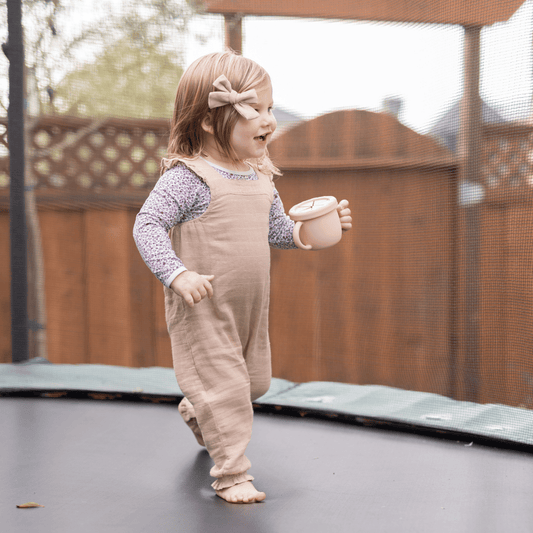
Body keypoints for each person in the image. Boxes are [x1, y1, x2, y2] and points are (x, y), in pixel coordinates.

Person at [133, 51, 352, 504]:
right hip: (203, 309)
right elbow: (147, 225)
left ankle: (198, 411)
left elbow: (276, 231)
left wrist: (309, 231)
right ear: (212, 121)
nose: (269, 120)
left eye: (271, 109)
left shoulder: (259, 177)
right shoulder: (188, 178)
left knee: (254, 384)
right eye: (257, 110)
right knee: (230, 392)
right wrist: (176, 274)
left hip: (250, 308)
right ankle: (232, 475)